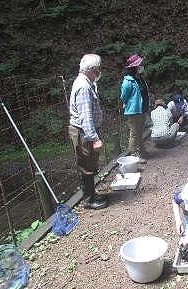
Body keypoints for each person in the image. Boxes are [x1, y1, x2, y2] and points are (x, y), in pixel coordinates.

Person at [68, 54, 107, 210]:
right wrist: (94, 138)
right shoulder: (83, 87)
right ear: (92, 69)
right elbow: (86, 117)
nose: (99, 71)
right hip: (83, 132)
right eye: (98, 69)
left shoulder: (87, 83)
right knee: (87, 165)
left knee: (89, 162)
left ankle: (91, 194)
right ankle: (89, 200)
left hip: (84, 131)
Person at [120, 54, 150, 162]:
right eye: (140, 64)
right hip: (134, 111)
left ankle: (141, 151)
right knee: (134, 133)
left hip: (143, 109)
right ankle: (134, 155)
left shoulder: (140, 78)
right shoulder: (128, 81)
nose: (142, 66)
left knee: (140, 132)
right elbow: (124, 96)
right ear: (135, 67)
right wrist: (127, 103)